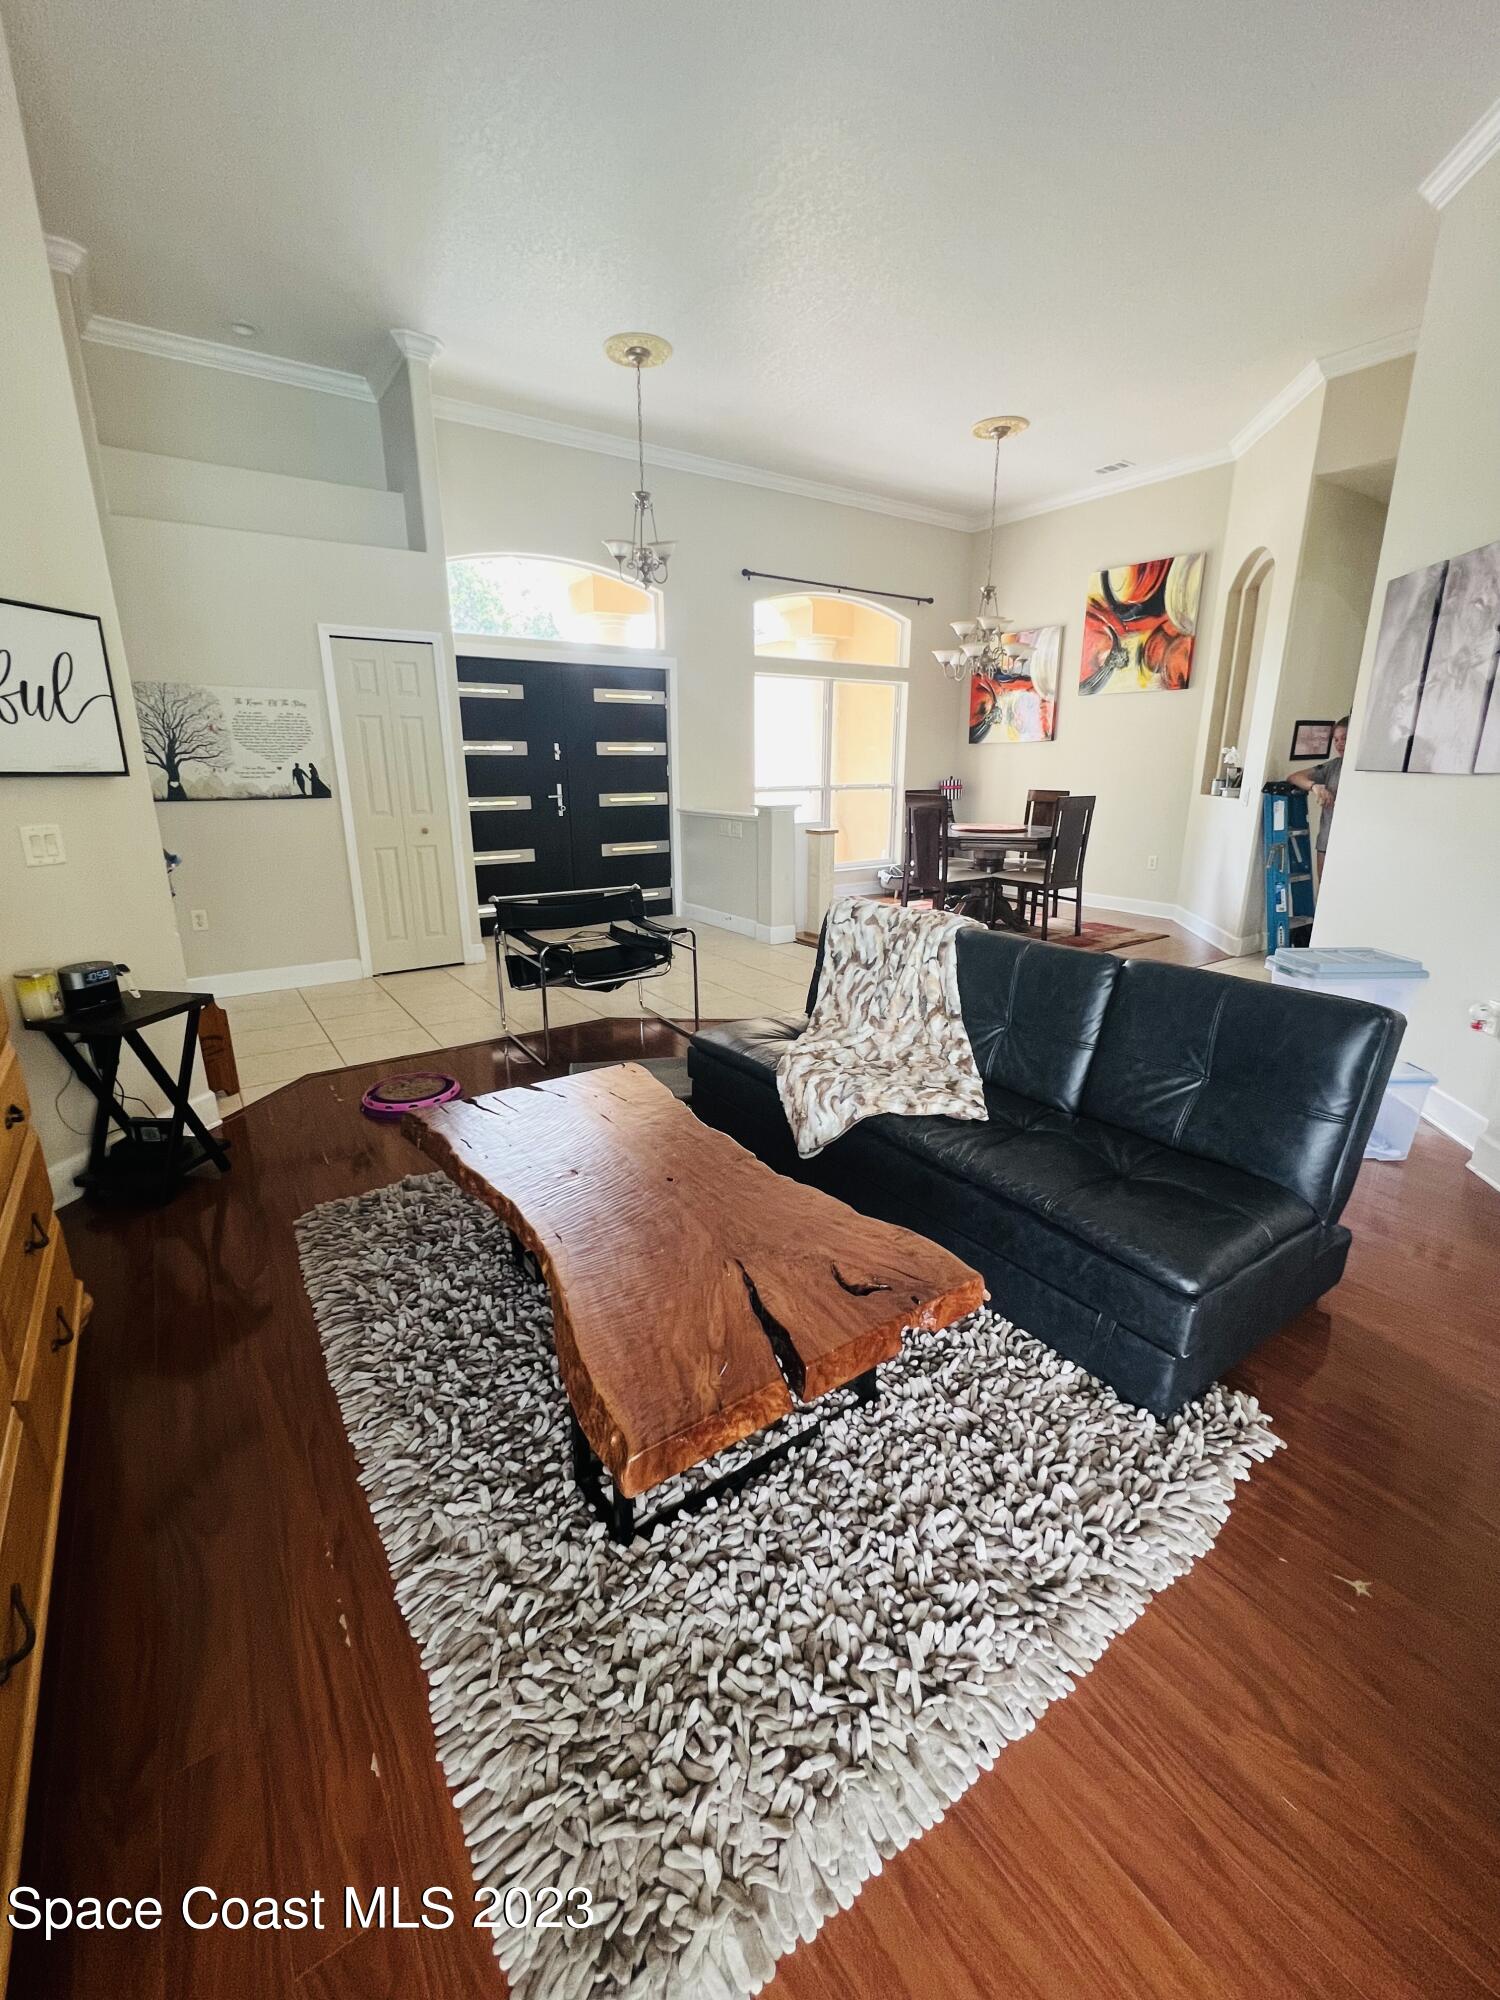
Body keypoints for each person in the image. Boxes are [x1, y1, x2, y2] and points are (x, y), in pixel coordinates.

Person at [1289, 715, 1347, 884]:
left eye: (1344, 738)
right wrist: (1314, 786)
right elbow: (1294, 777)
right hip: (1327, 839)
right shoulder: (1333, 766)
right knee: (1324, 884)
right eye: (1336, 739)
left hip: (1350, 839)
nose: (1339, 743)